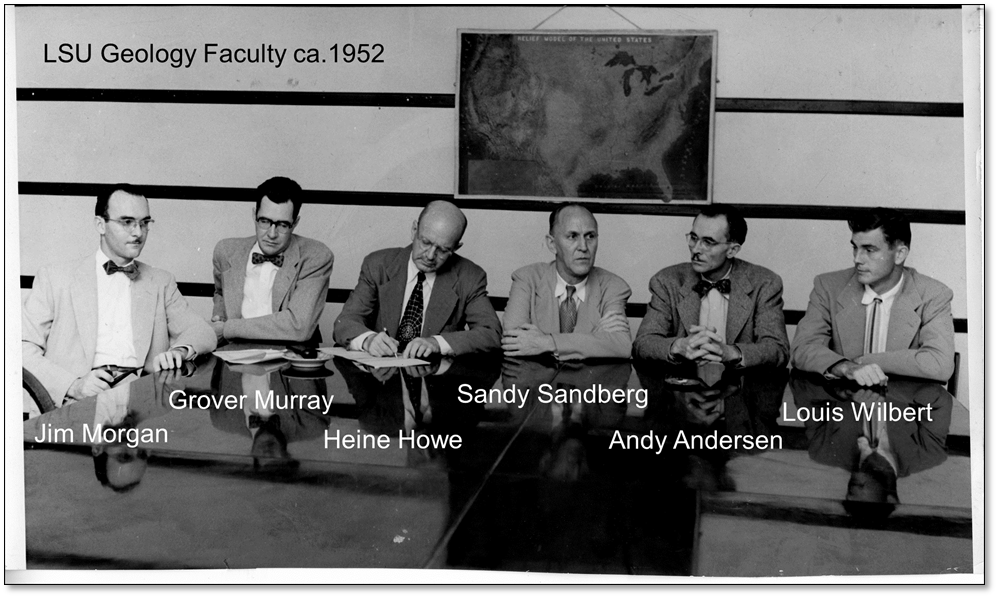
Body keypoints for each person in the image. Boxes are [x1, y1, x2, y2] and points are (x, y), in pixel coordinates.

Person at [22, 184, 216, 406]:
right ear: (100, 224)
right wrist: (73, 385)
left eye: (144, 223)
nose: (138, 233)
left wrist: (181, 351)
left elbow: (202, 332)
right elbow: (22, 348)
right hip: (73, 402)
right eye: (127, 222)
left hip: (145, 403)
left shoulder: (161, 281)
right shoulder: (54, 278)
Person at [791, 208, 955, 385]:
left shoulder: (933, 294)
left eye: (869, 250)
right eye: (855, 247)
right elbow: (802, 348)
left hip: (904, 407)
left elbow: (940, 364)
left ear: (900, 254)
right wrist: (845, 367)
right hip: (843, 406)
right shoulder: (828, 286)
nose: (857, 259)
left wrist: (863, 361)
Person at [333, 200, 501, 357]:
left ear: (456, 248)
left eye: (442, 250)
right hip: (380, 380)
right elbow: (345, 321)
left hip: (434, 380)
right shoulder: (378, 265)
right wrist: (368, 340)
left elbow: (491, 333)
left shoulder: (470, 277)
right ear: (414, 230)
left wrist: (437, 343)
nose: (430, 256)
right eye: (425, 242)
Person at [633, 205, 789, 368]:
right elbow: (642, 344)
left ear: (732, 250)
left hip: (743, 389)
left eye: (708, 242)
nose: (696, 249)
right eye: (693, 238)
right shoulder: (667, 281)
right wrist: (677, 347)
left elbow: (777, 350)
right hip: (681, 388)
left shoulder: (765, 283)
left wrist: (730, 353)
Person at [211, 177, 333, 344]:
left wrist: (227, 329)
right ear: (254, 215)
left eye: (282, 225)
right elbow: (220, 293)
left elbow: (299, 326)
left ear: (295, 223)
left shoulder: (316, 256)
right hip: (234, 356)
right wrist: (219, 318)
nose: (272, 234)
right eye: (265, 221)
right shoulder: (226, 251)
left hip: (289, 360)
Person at [502, 203, 631, 360]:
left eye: (590, 236)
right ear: (552, 244)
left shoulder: (614, 286)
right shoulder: (527, 278)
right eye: (572, 236)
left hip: (591, 384)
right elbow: (514, 342)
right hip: (538, 382)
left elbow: (621, 346)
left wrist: (548, 342)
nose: (583, 247)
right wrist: (594, 339)